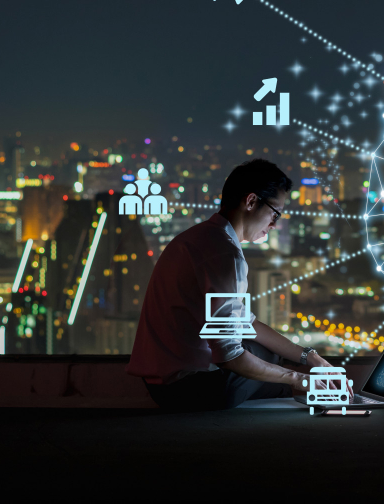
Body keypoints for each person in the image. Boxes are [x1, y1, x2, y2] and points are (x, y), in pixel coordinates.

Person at [126, 158, 333, 411]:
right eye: (275, 213)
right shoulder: (226, 255)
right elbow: (228, 355)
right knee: (269, 358)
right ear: (251, 201)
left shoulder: (195, 238)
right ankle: (309, 391)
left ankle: (301, 388)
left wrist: (309, 357)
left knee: (270, 357)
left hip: (160, 386)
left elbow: (246, 323)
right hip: (190, 389)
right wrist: (298, 377)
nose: (274, 225)